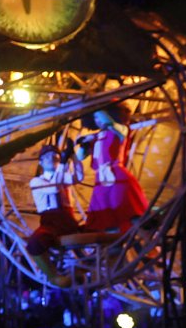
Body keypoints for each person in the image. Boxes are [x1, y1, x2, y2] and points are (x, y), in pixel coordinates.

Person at [77, 102, 148, 234]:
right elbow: (80, 156)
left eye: (100, 116)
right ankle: (111, 243)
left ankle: (142, 241)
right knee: (103, 214)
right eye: (95, 118)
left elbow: (108, 122)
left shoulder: (121, 130)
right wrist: (82, 145)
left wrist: (98, 107)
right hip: (100, 178)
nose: (98, 120)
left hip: (116, 174)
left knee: (124, 208)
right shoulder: (95, 138)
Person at [25, 142, 84, 286]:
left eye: (55, 156)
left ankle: (87, 267)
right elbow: (53, 189)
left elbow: (79, 177)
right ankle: (53, 275)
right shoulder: (37, 181)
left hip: (67, 218)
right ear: (40, 162)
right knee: (35, 242)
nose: (51, 159)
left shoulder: (62, 176)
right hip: (51, 220)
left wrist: (74, 157)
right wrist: (63, 164)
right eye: (47, 157)